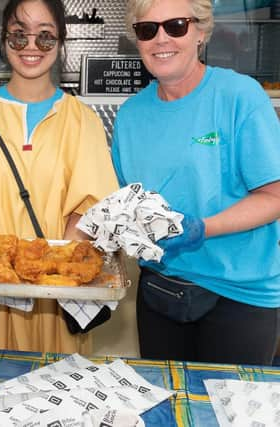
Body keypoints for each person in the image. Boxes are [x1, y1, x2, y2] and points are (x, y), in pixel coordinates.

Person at [0, 0, 119, 354]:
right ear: (4, 41)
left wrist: (46, 280)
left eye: (45, 37)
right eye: (19, 35)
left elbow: (85, 215)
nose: (32, 47)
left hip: (60, 298)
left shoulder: (83, 121)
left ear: (61, 41)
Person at [112, 0, 280, 365]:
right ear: (136, 40)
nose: (161, 39)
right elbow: (128, 201)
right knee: (166, 412)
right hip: (160, 290)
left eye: (175, 25)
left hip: (238, 293)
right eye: (147, 29)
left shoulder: (240, 97)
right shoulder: (130, 116)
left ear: (201, 32)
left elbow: (274, 195)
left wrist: (203, 227)